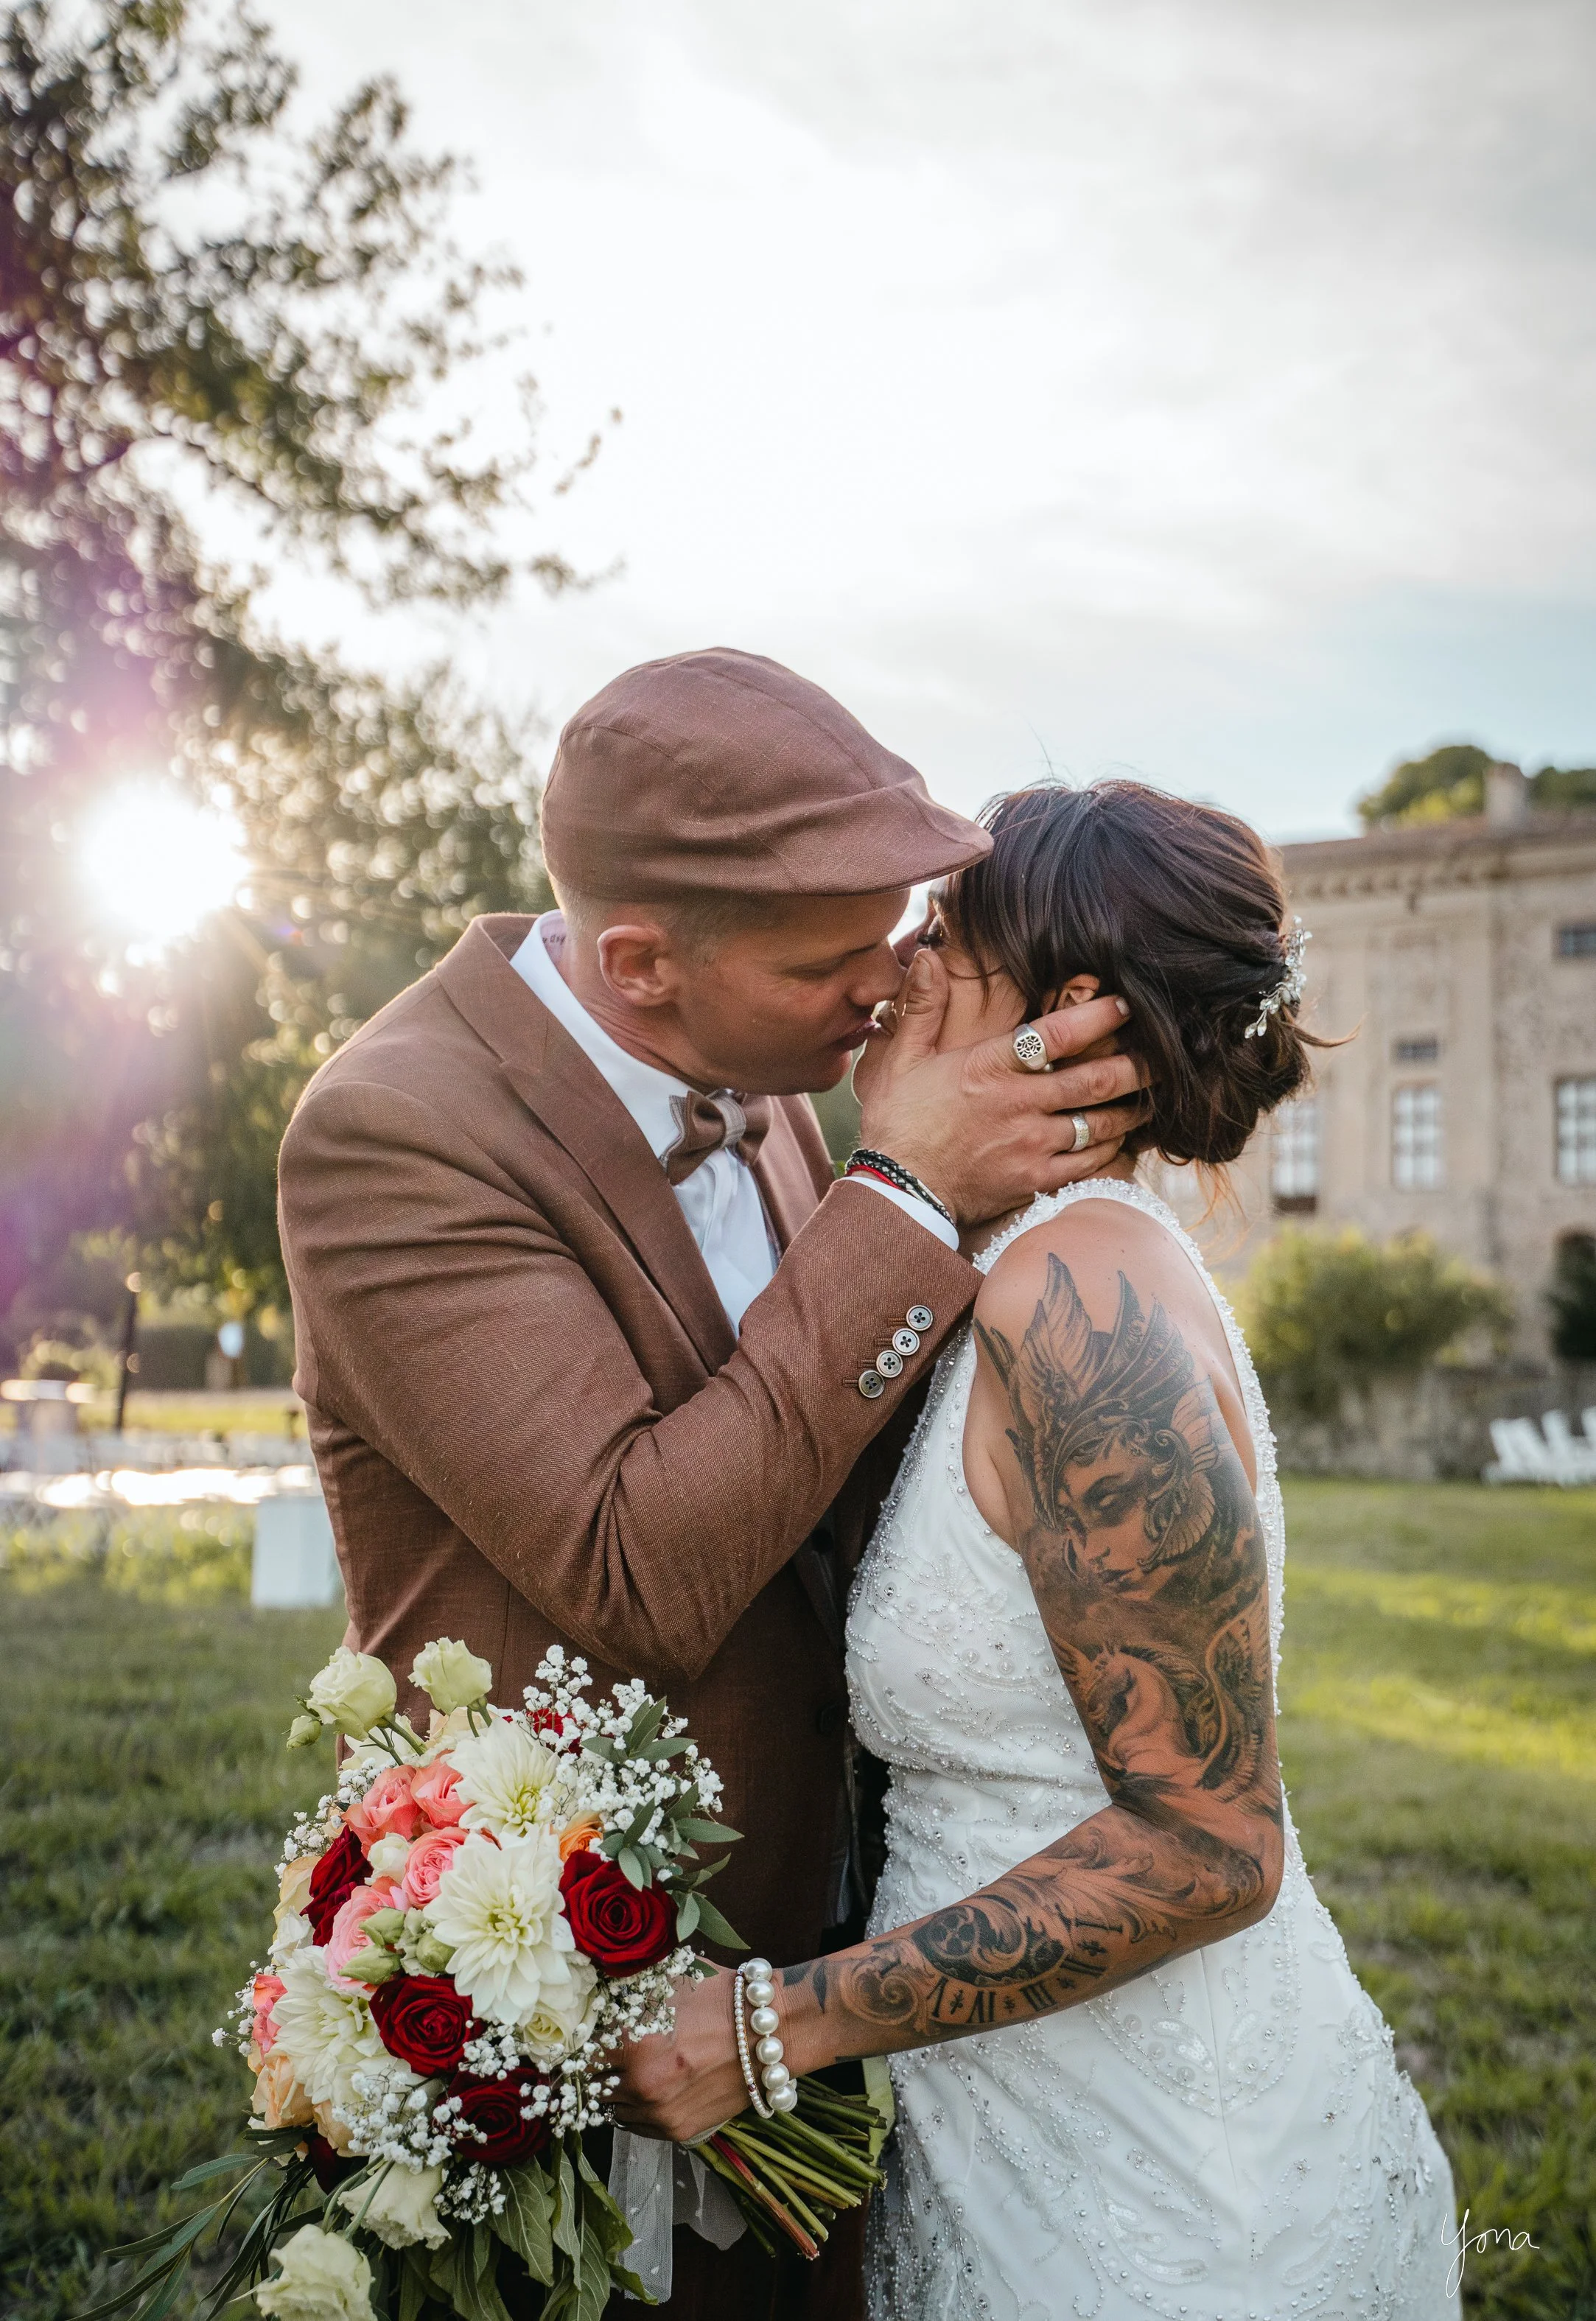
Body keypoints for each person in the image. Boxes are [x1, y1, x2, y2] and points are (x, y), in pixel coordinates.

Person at [275, 651, 1148, 2321]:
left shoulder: (770, 1082)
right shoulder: (392, 1131)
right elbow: (639, 1563)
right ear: (640, 964)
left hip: (818, 1965)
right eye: (839, 961)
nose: (891, 989)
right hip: (558, 2005)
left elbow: (826, 1452)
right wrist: (900, 1188)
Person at [614, 780, 1461, 2320]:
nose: (897, 958)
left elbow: (1211, 1842)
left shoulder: (1088, 1300)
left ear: (1065, 1016)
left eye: (946, 929)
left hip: (1154, 2179)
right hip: (1006, 2117)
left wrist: (773, 2027)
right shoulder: (1015, 1260)